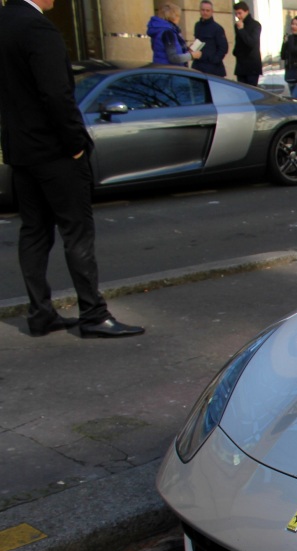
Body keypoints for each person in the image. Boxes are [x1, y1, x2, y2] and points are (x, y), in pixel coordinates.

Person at [0, 0, 144, 337]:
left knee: (34, 232)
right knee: (76, 232)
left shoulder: (5, 22)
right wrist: (76, 143)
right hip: (55, 152)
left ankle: (40, 314)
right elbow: (56, 94)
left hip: (21, 152)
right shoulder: (38, 28)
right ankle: (93, 314)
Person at [147, 3, 200, 67]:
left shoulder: (160, 30)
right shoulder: (167, 32)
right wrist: (191, 56)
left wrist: (187, 50)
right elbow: (173, 58)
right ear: (173, 16)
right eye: (178, 16)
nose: (179, 18)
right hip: (170, 72)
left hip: (162, 69)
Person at [191, 0, 228, 77]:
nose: (205, 12)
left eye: (207, 10)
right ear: (200, 10)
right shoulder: (197, 25)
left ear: (212, 11)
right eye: (203, 10)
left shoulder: (217, 28)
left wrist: (214, 60)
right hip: (198, 67)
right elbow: (197, 41)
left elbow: (224, 48)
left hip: (213, 69)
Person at [232, 1, 262, 86]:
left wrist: (241, 30)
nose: (238, 16)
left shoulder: (255, 25)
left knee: (252, 91)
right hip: (241, 64)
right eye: (236, 14)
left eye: (240, 13)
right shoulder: (237, 25)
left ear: (246, 11)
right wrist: (235, 52)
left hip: (252, 65)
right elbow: (238, 41)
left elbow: (251, 42)